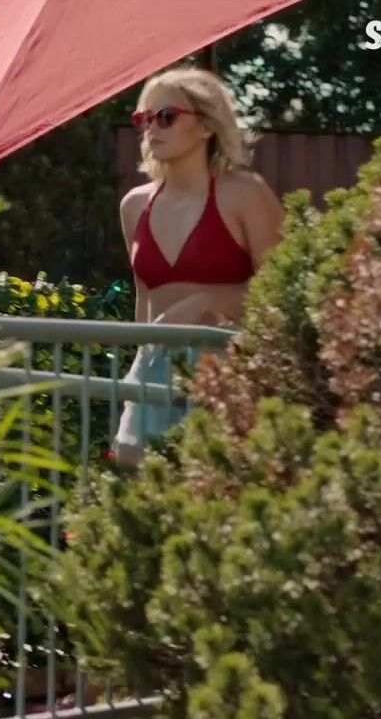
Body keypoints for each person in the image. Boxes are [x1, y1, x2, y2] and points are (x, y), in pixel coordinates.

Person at [112, 67, 285, 467]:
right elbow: (144, 298)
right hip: (153, 371)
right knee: (137, 485)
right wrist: (137, 376)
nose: (151, 129)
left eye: (166, 117)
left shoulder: (245, 194)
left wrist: (208, 302)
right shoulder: (134, 206)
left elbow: (282, 290)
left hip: (231, 372)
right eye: (144, 119)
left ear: (206, 126)